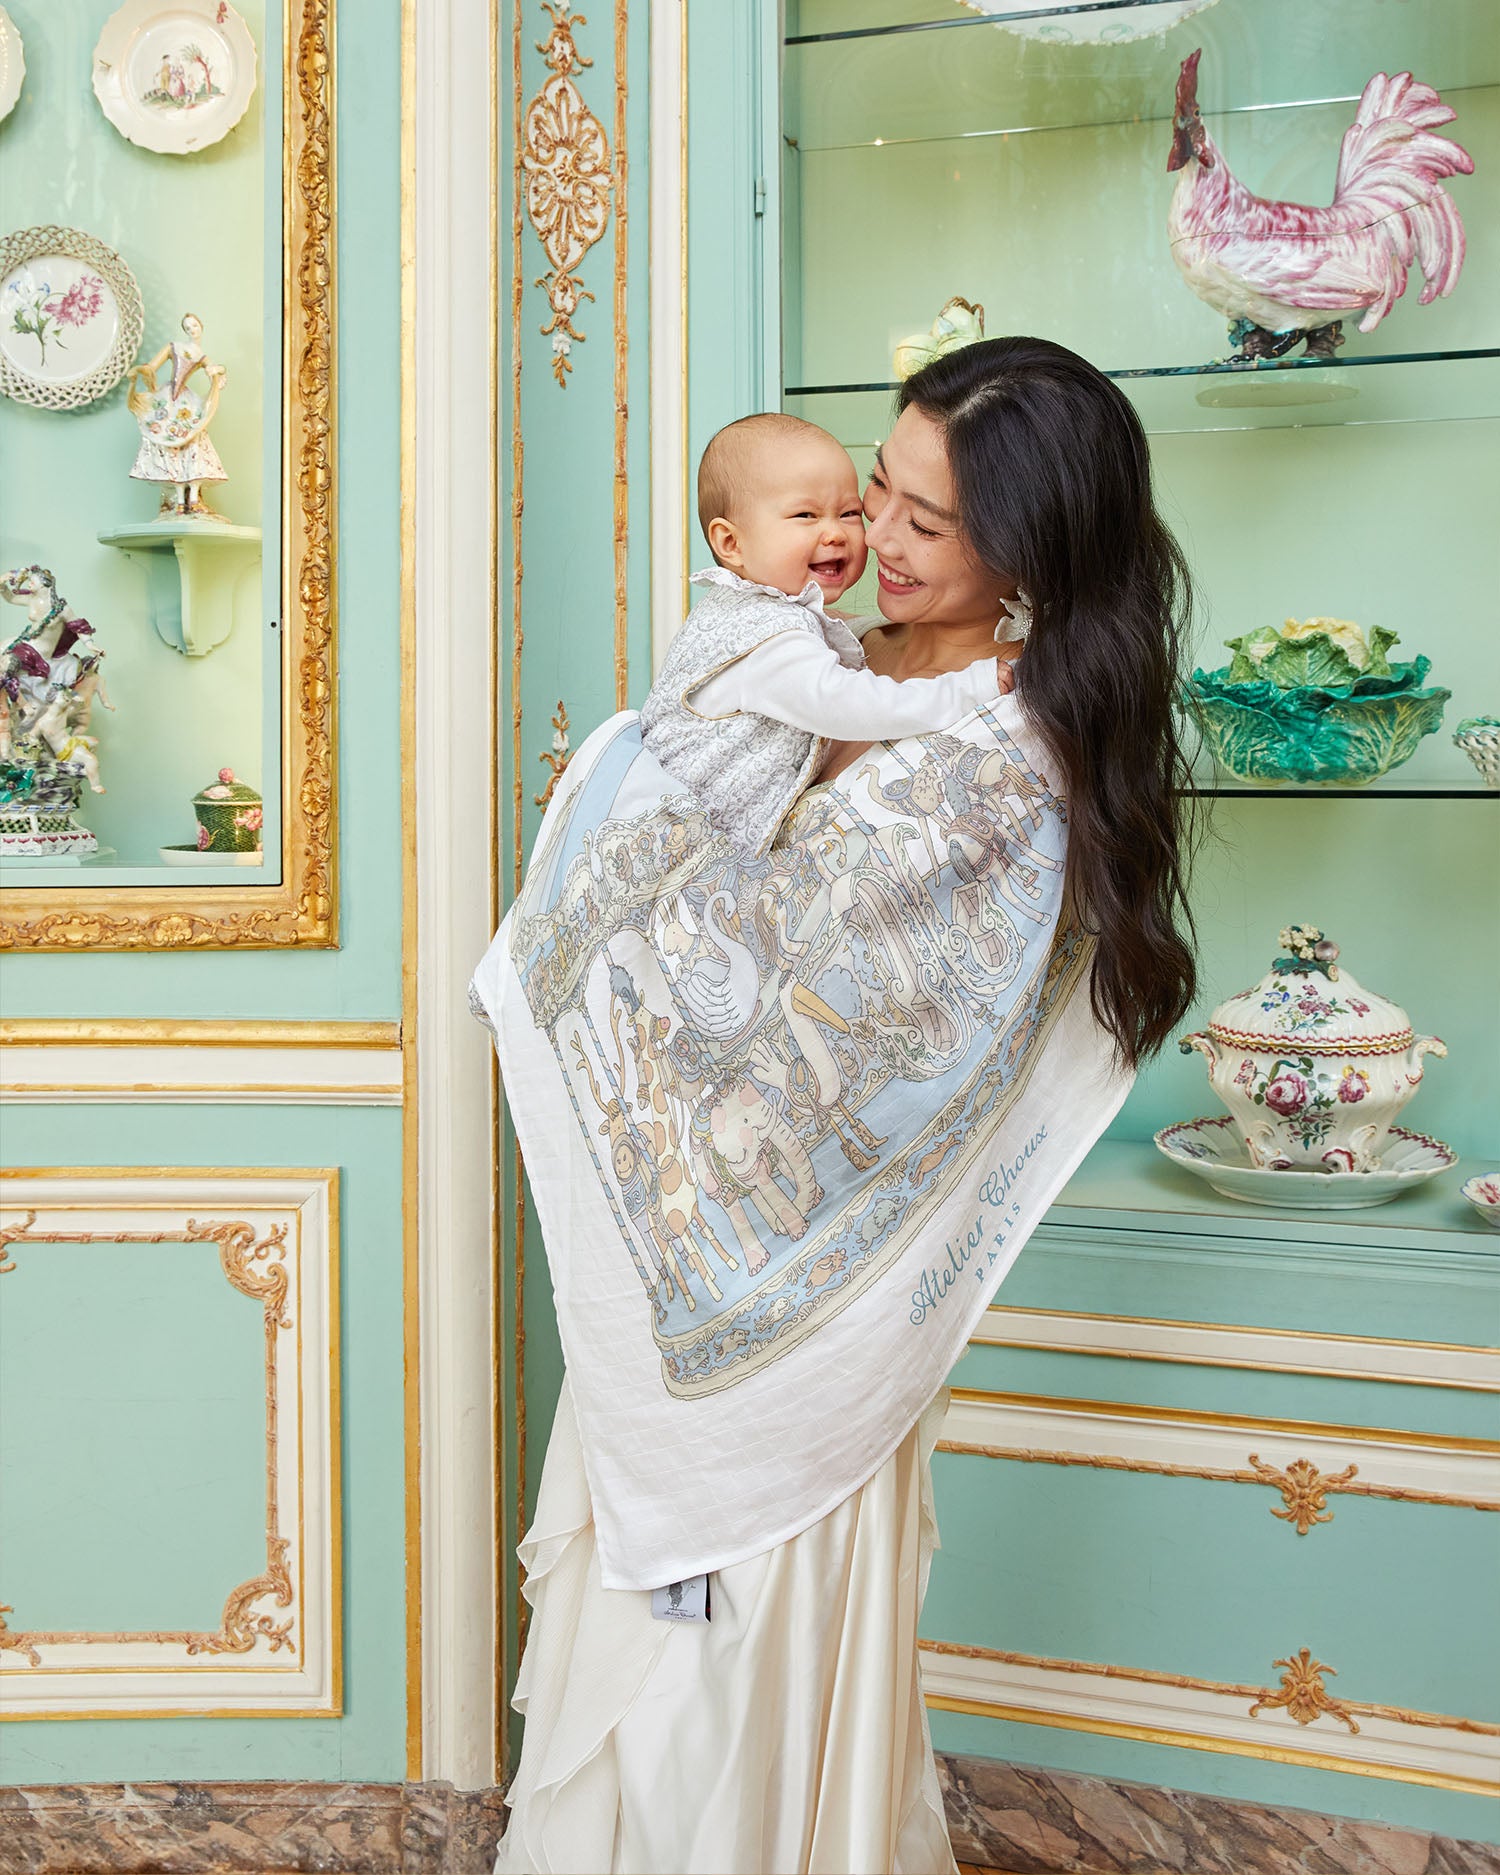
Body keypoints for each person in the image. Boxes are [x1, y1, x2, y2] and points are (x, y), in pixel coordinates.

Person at [482, 337, 1198, 1875]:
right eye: (879, 490)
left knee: (753, 1639)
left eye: (928, 521)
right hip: (677, 1247)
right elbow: (669, 809)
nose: (876, 535)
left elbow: (859, 1006)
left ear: (1033, 549)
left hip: (822, 1286)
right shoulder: (817, 653)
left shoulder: (1012, 745)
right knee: (653, 1638)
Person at [641, 412, 1016, 856]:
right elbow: (855, 705)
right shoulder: (768, 639)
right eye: (806, 515)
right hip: (668, 843)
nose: (838, 534)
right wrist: (968, 687)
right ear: (731, 543)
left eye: (849, 513)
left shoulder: (757, 612)